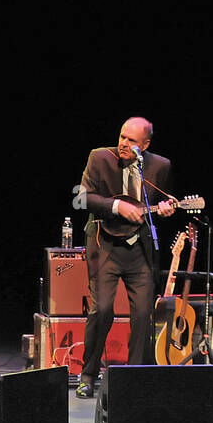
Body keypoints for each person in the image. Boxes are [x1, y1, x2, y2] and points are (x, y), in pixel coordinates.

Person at [75, 116, 177, 397]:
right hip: (104, 245)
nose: (124, 144)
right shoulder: (99, 158)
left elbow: (158, 204)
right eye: (122, 137)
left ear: (145, 144)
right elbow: (82, 198)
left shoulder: (160, 166)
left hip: (139, 249)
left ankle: (134, 379)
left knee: (144, 314)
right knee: (103, 309)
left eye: (132, 141)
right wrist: (117, 206)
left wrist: (166, 209)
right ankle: (88, 375)